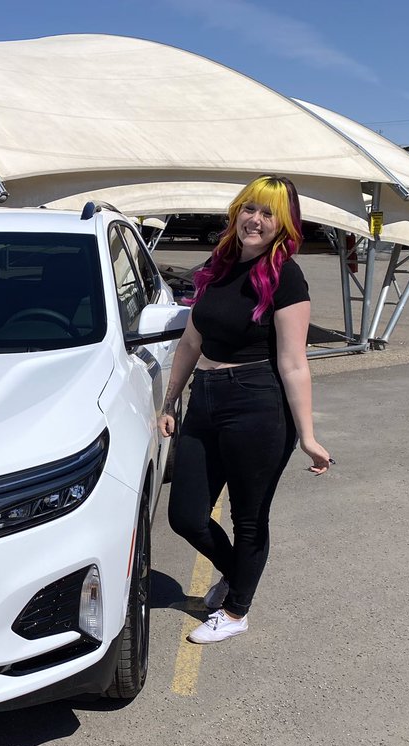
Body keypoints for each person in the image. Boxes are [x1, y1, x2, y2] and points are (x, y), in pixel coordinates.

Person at [159, 175, 332, 645]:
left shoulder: (286, 276)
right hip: (206, 398)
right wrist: (171, 399)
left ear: (283, 225)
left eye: (268, 212)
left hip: (257, 403)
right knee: (186, 515)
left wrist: (308, 435)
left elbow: (294, 362)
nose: (255, 219)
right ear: (237, 212)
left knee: (249, 518)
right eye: (249, 208)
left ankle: (236, 611)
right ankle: (239, 575)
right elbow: (192, 340)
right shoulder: (218, 266)